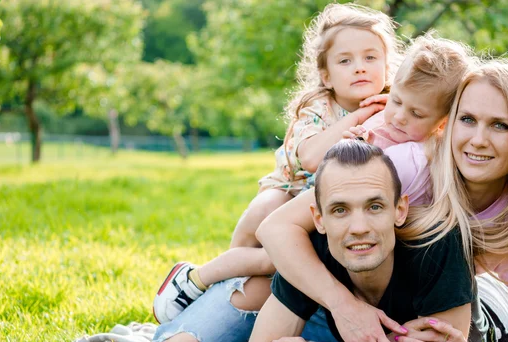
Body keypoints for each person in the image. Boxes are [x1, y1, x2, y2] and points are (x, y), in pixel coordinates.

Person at [150, 32, 474, 342]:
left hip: (364, 282)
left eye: (416, 114)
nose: (399, 117)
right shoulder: (373, 132)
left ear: (441, 124)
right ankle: (199, 282)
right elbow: (278, 227)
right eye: (397, 102)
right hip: (310, 270)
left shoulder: (416, 162)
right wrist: (343, 306)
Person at [254, 59, 508, 342]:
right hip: (379, 290)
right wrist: (347, 308)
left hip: (481, 299)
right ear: (446, 123)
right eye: (467, 119)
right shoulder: (409, 166)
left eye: (500, 125)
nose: (478, 139)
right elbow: (277, 228)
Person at [152, 2, 401, 324]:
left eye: (370, 57)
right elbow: (311, 159)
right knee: (254, 226)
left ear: (387, 65)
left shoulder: (393, 106)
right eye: (345, 61)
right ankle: (203, 282)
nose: (360, 67)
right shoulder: (318, 109)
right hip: (290, 188)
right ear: (325, 75)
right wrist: (359, 116)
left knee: (278, 259)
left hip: (331, 205)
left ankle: (214, 281)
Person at [243, 139, 474, 342]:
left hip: (488, 311)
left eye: (374, 207)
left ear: (400, 210)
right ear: (319, 219)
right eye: (340, 210)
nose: (359, 228)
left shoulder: (438, 243)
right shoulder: (307, 251)